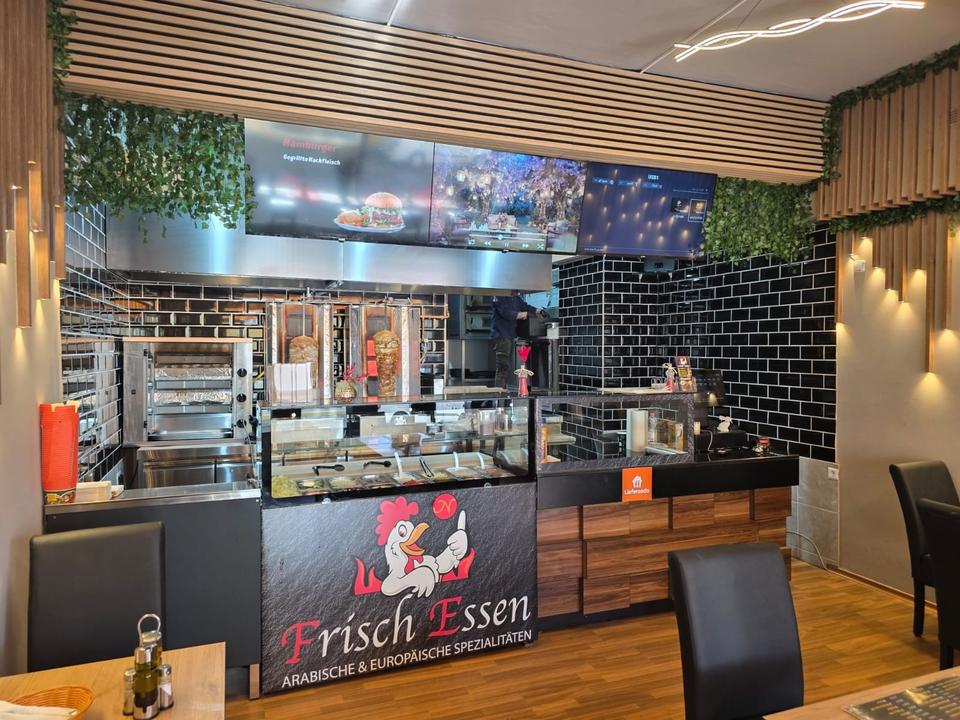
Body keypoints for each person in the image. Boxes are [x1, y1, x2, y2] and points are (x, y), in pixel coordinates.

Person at [492, 292, 538, 389]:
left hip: (510, 336)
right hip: (501, 336)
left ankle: (502, 392)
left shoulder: (515, 297)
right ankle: (498, 394)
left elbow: (525, 306)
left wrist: (537, 310)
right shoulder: (498, 295)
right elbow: (505, 313)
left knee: (506, 368)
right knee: (503, 367)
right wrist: (522, 314)